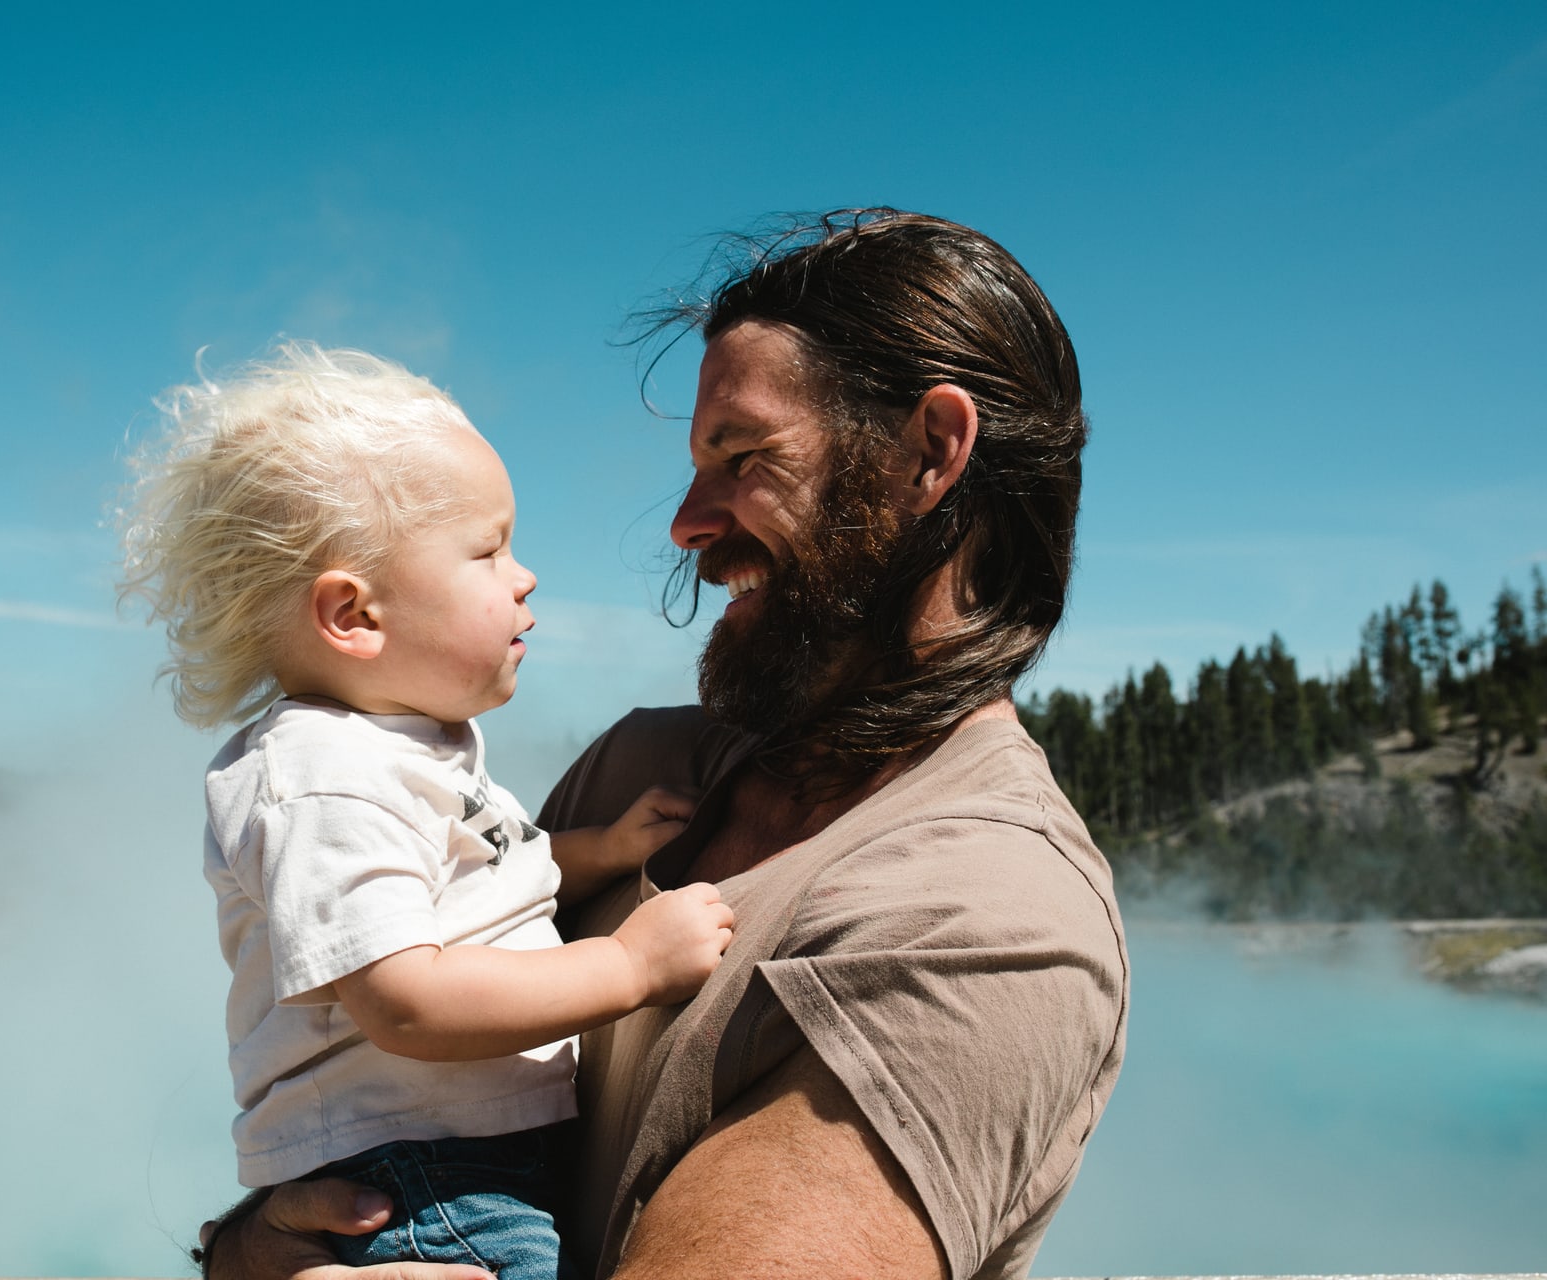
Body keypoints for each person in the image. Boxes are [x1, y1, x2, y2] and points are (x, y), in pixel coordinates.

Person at [200, 210, 1130, 1280]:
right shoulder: (641, 768)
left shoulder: (990, 913)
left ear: (929, 451)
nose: (688, 520)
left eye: (742, 455)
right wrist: (246, 1251)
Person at [119, 345, 737, 1280]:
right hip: (422, 1186)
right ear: (355, 616)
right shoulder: (323, 774)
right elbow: (405, 997)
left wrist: (600, 852)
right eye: (487, 551)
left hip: (455, 1167)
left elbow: (472, 890)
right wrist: (628, 964)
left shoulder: (400, 747)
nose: (524, 576)